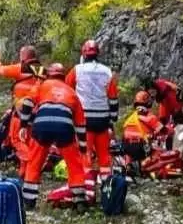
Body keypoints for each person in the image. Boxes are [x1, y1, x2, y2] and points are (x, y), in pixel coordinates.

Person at [17, 63, 88, 210]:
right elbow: (81, 125)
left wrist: (23, 125)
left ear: (49, 74)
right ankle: (79, 199)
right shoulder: (72, 92)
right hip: (64, 126)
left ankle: (29, 200)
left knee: (35, 161)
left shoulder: (43, 85)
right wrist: (82, 147)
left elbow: (28, 102)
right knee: (74, 163)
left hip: (42, 125)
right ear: (63, 77)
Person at [66, 39, 119, 194]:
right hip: (103, 119)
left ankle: (88, 190)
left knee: (85, 154)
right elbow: (113, 98)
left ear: (84, 54)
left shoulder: (77, 70)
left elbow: (67, 90)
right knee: (104, 156)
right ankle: (108, 189)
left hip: (84, 119)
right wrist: (113, 119)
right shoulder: (107, 71)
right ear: (98, 53)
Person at [0, 43, 44, 176]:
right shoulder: (42, 71)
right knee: (29, 142)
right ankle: (25, 173)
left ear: (24, 57)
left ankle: (31, 163)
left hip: (21, 113)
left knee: (16, 140)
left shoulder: (21, 68)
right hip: (37, 113)